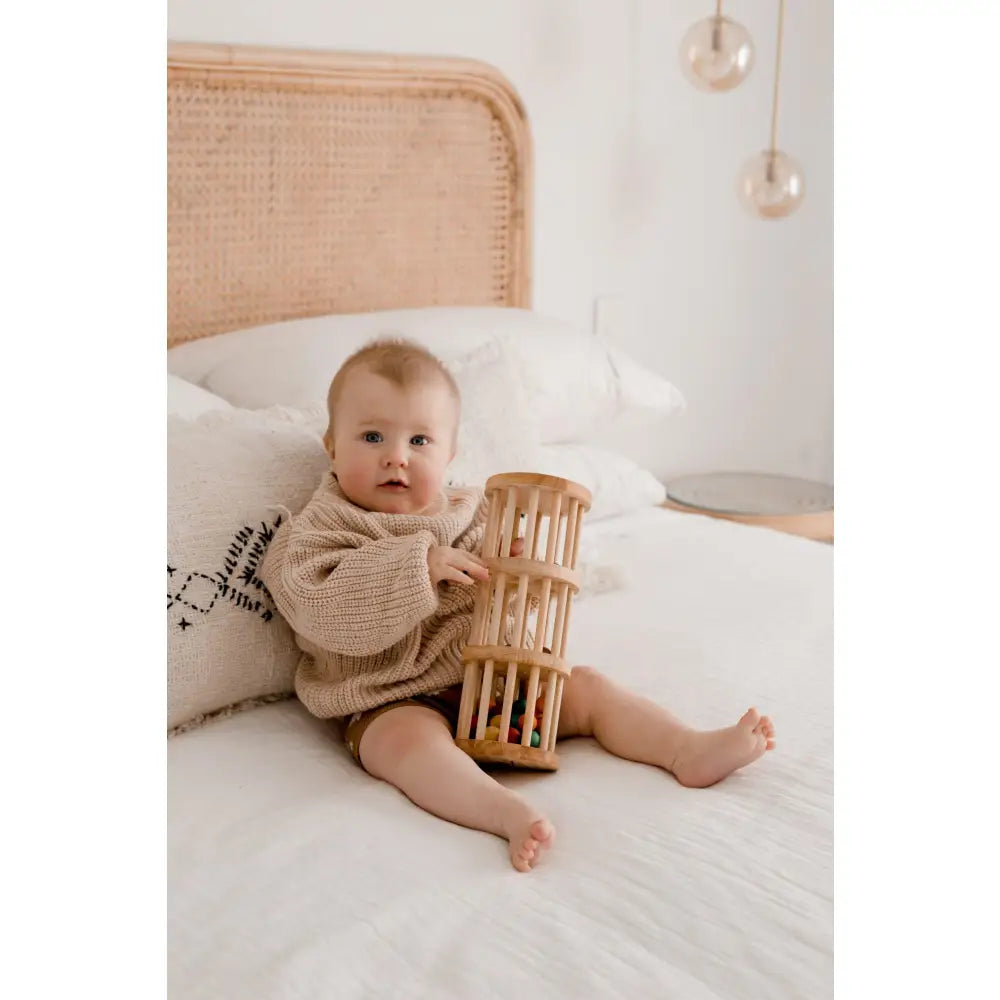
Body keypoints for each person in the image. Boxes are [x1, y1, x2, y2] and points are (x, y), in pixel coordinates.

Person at [260, 338, 775, 872]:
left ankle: (685, 749)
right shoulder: (319, 531)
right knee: (404, 746)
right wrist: (419, 565)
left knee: (587, 687)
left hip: (490, 686)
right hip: (387, 696)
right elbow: (320, 608)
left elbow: (509, 612)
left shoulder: (469, 513)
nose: (397, 456)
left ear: (449, 454)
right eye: (372, 436)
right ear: (332, 447)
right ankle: (502, 811)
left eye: (419, 440)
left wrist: (515, 574)